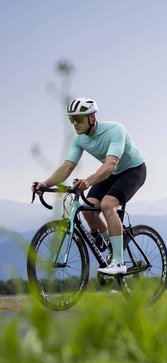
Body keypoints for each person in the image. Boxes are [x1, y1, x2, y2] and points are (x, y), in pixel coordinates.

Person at [34, 97, 146, 275]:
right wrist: (45, 183)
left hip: (133, 170)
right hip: (111, 174)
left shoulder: (115, 130)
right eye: (71, 119)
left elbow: (111, 165)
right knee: (87, 209)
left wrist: (88, 181)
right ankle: (111, 243)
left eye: (78, 118)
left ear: (92, 117)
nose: (75, 123)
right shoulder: (80, 139)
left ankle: (118, 262)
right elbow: (67, 167)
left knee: (108, 204)